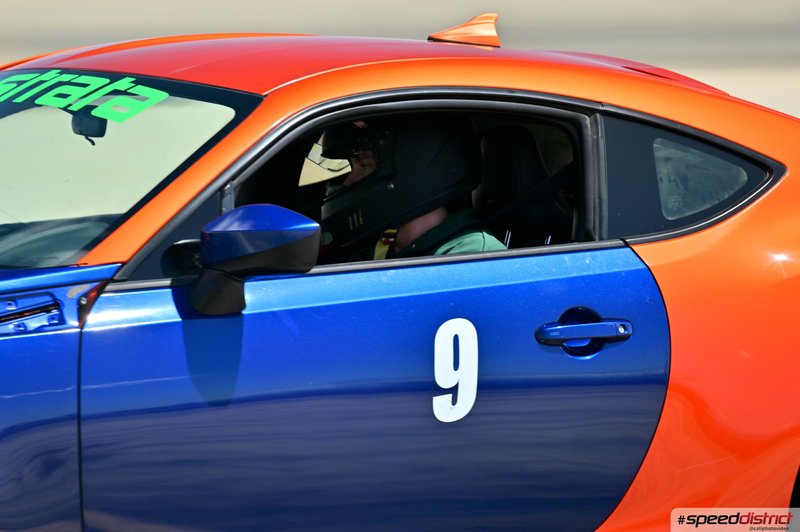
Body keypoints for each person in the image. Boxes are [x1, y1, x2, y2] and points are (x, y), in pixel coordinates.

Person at [319, 117, 505, 261]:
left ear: (413, 170)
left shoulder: (472, 257)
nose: (349, 182)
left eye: (365, 165)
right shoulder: (375, 251)